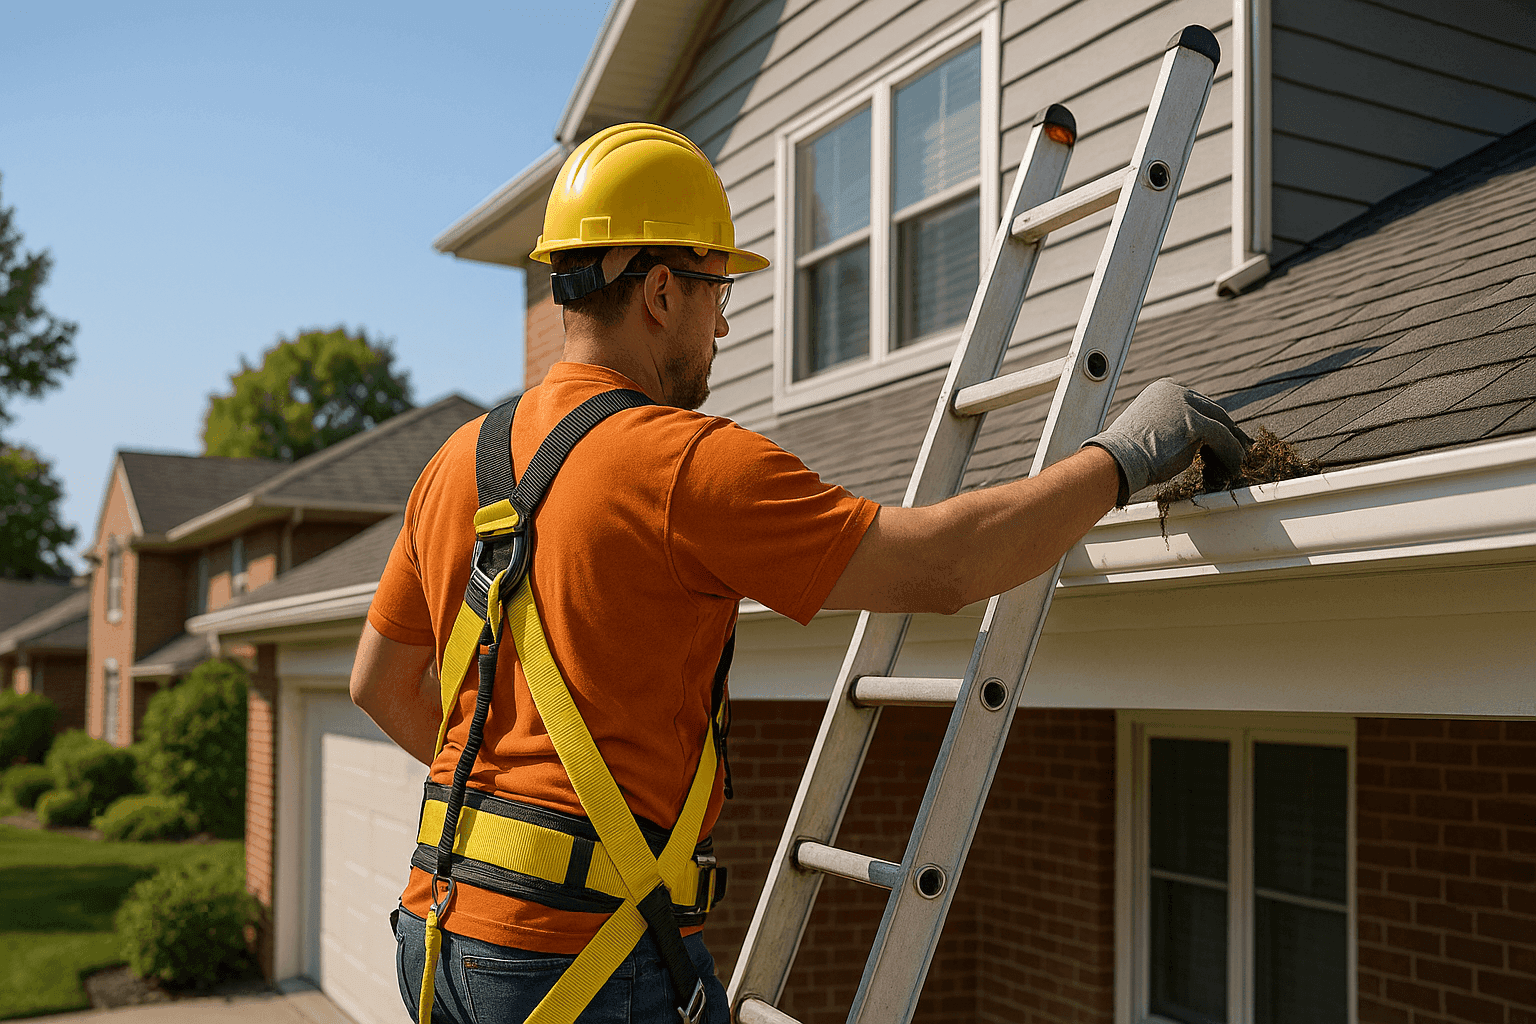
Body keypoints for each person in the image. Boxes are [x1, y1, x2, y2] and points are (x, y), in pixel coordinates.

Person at [351, 123, 1248, 1024]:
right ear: (660, 290)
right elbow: (945, 566)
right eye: (717, 289)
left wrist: (519, 825)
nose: (726, 322)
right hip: (580, 964)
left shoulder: (456, 464)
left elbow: (378, 684)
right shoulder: (682, 466)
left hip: (438, 942)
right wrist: (1125, 456)